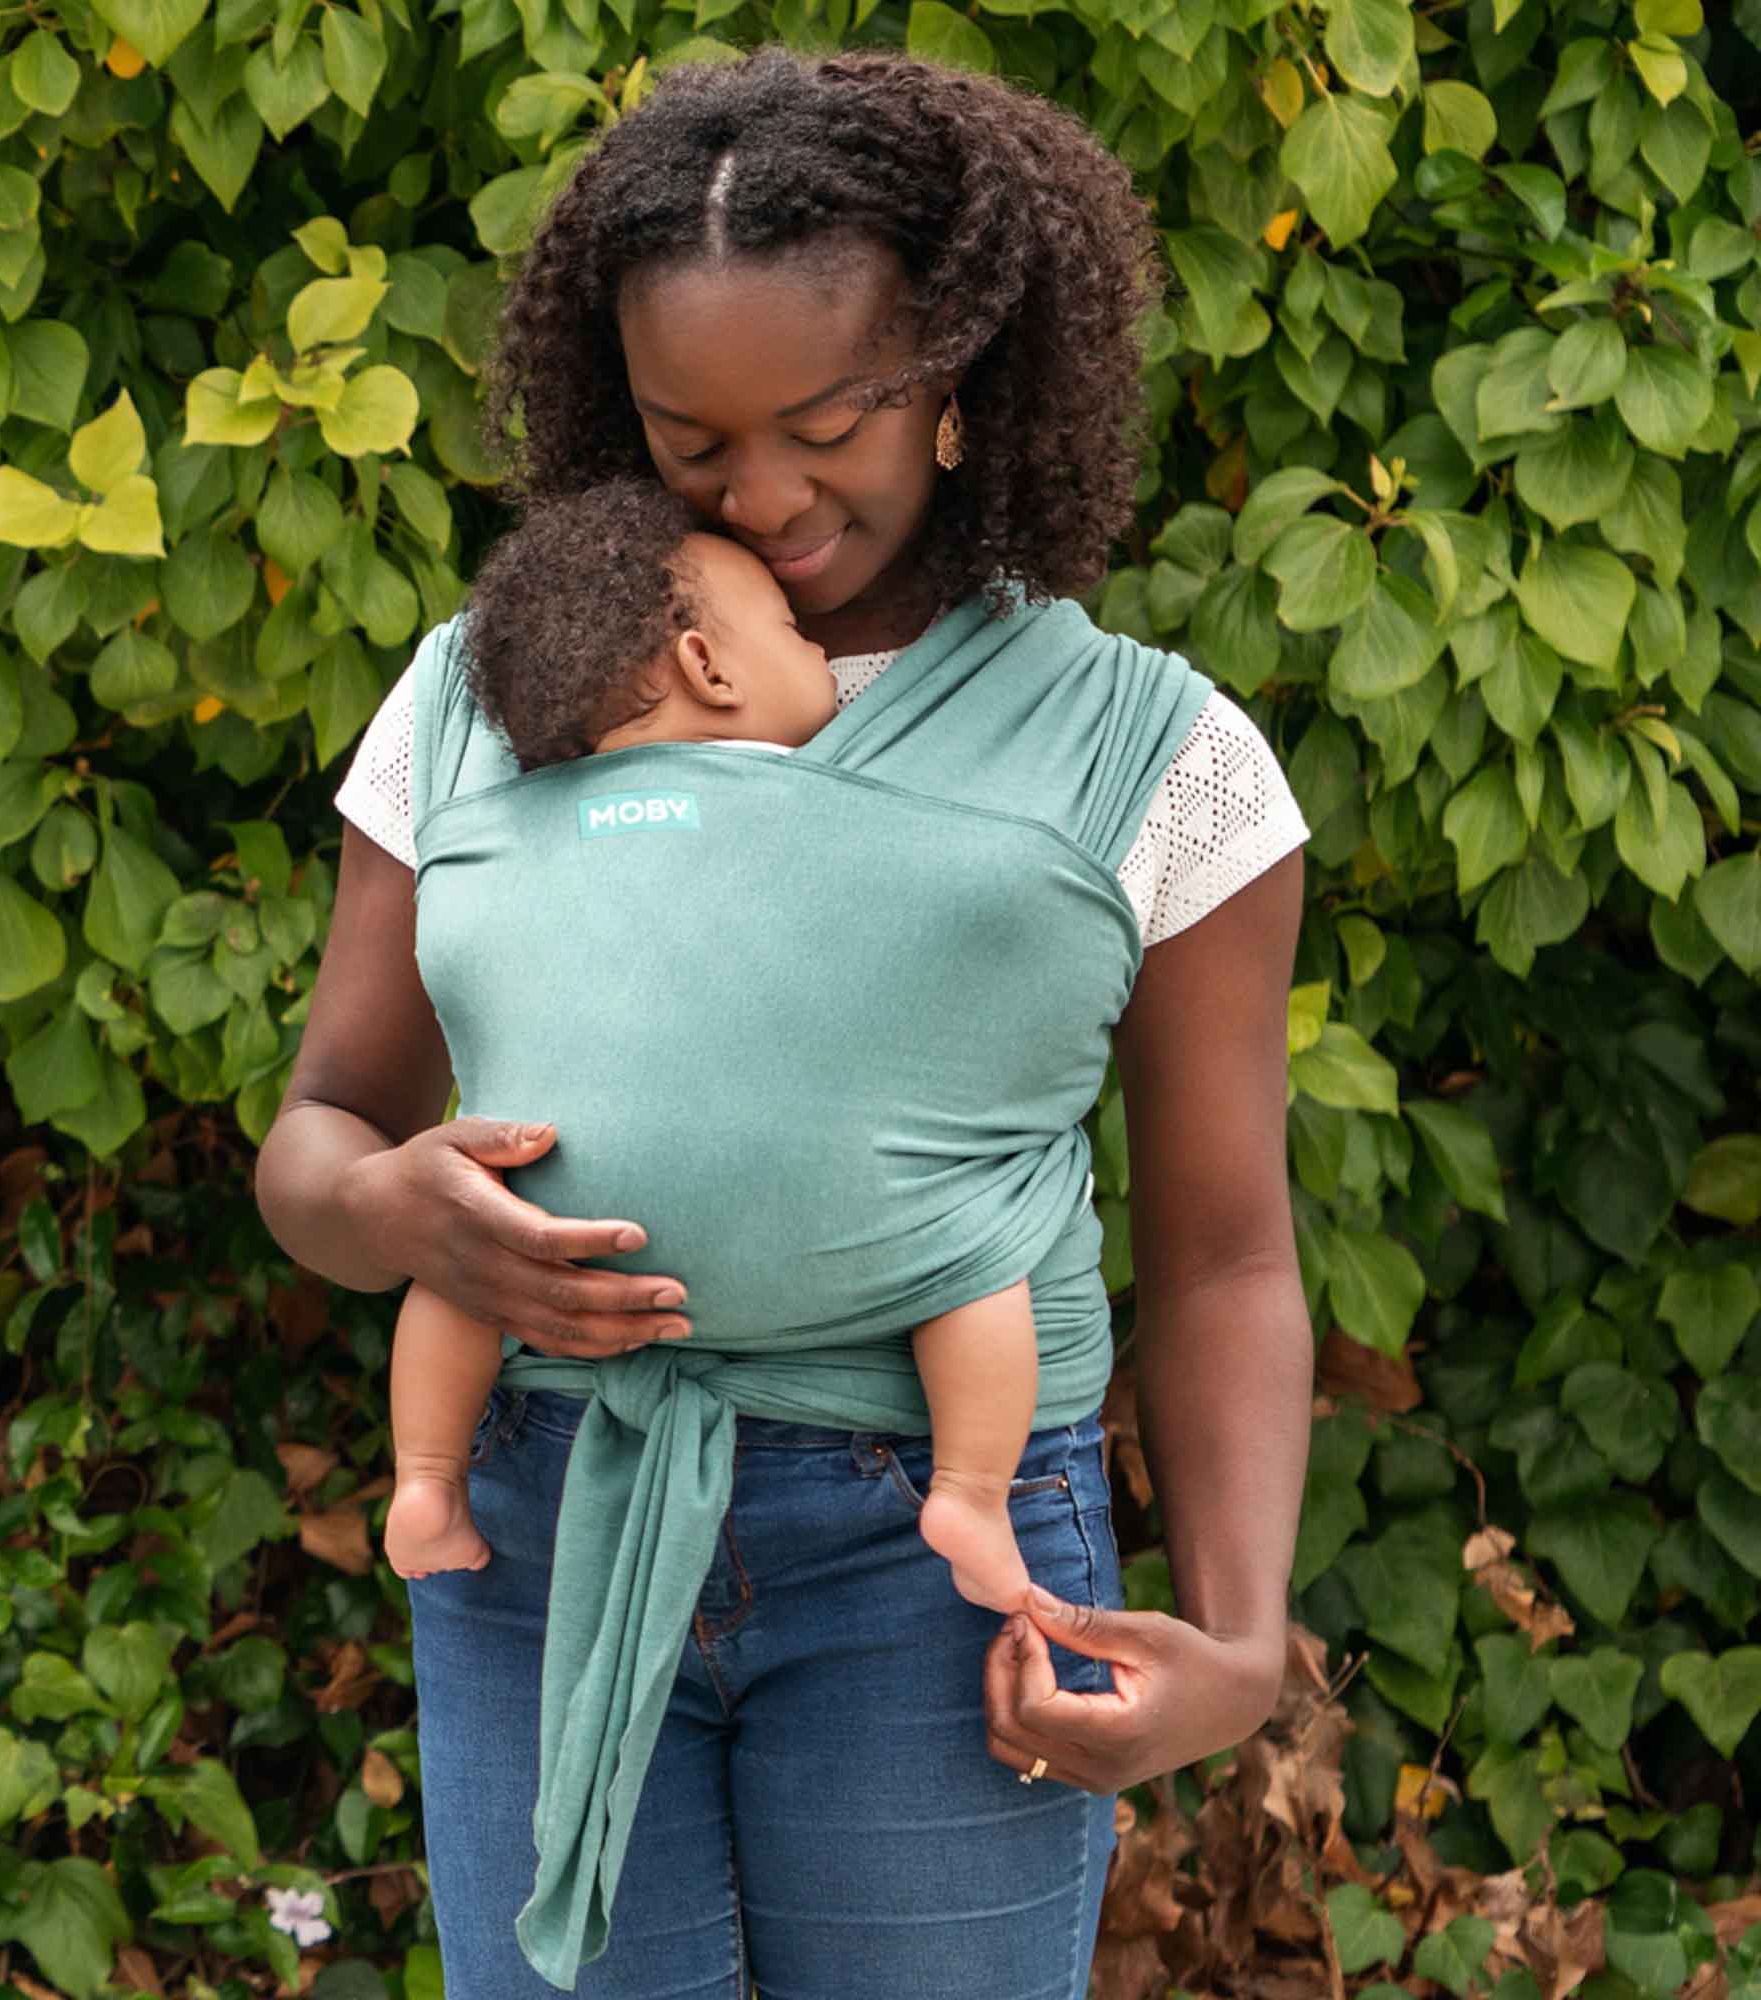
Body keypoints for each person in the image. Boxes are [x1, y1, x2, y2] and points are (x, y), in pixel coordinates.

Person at [257, 45, 1314, 1998]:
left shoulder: (1154, 757)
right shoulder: (493, 689)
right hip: (544, 1521)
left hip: (945, 1550)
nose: (763, 493)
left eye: (828, 419)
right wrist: (405, 1212)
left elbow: (1228, 1247)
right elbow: (321, 1134)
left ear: (963, 379)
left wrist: (1239, 1641)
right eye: (687, 440)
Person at [384, 476, 1046, 1618]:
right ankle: (974, 1493)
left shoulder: (527, 817)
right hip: (849, 1221)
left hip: (549, 1212)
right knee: (972, 1264)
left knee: (456, 1274)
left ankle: (426, 1481)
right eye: (795, 636)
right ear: (709, 666)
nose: (823, 663)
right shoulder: (838, 799)